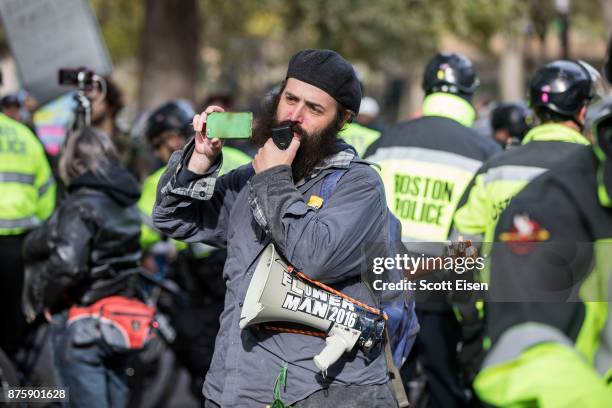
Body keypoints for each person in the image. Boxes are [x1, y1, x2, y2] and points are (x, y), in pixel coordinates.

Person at [153, 49, 408, 407]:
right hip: (232, 387)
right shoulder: (251, 178)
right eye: (290, 99)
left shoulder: (359, 185)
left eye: (314, 109)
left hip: (311, 392)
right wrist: (199, 160)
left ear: (343, 120)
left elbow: (315, 258)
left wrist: (273, 177)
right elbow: (172, 218)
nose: (295, 116)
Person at [365, 52, 501, 408]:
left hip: (385, 287)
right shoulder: (486, 152)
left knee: (388, 390)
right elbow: (477, 235)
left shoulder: (385, 143)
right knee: (446, 389)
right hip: (445, 292)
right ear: (469, 94)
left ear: (426, 90)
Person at [473, 95, 612, 408]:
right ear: (582, 111)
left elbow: (462, 248)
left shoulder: (494, 165)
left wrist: (471, 318)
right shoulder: (574, 181)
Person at [22, 127, 143, 408]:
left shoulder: (80, 204)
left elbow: (67, 263)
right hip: (120, 322)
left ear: (73, 162)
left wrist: (42, 299)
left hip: (81, 323)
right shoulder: (125, 203)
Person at [137, 100, 251, 397]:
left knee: (201, 347)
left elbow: (143, 230)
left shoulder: (170, 174)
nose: (161, 155)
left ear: (172, 140)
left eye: (159, 146)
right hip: (248, 267)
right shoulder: (241, 158)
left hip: (204, 280)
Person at [0, 107, 55, 361]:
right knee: (13, 317)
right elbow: (46, 194)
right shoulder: (25, 137)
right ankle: (11, 384)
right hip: (20, 244)